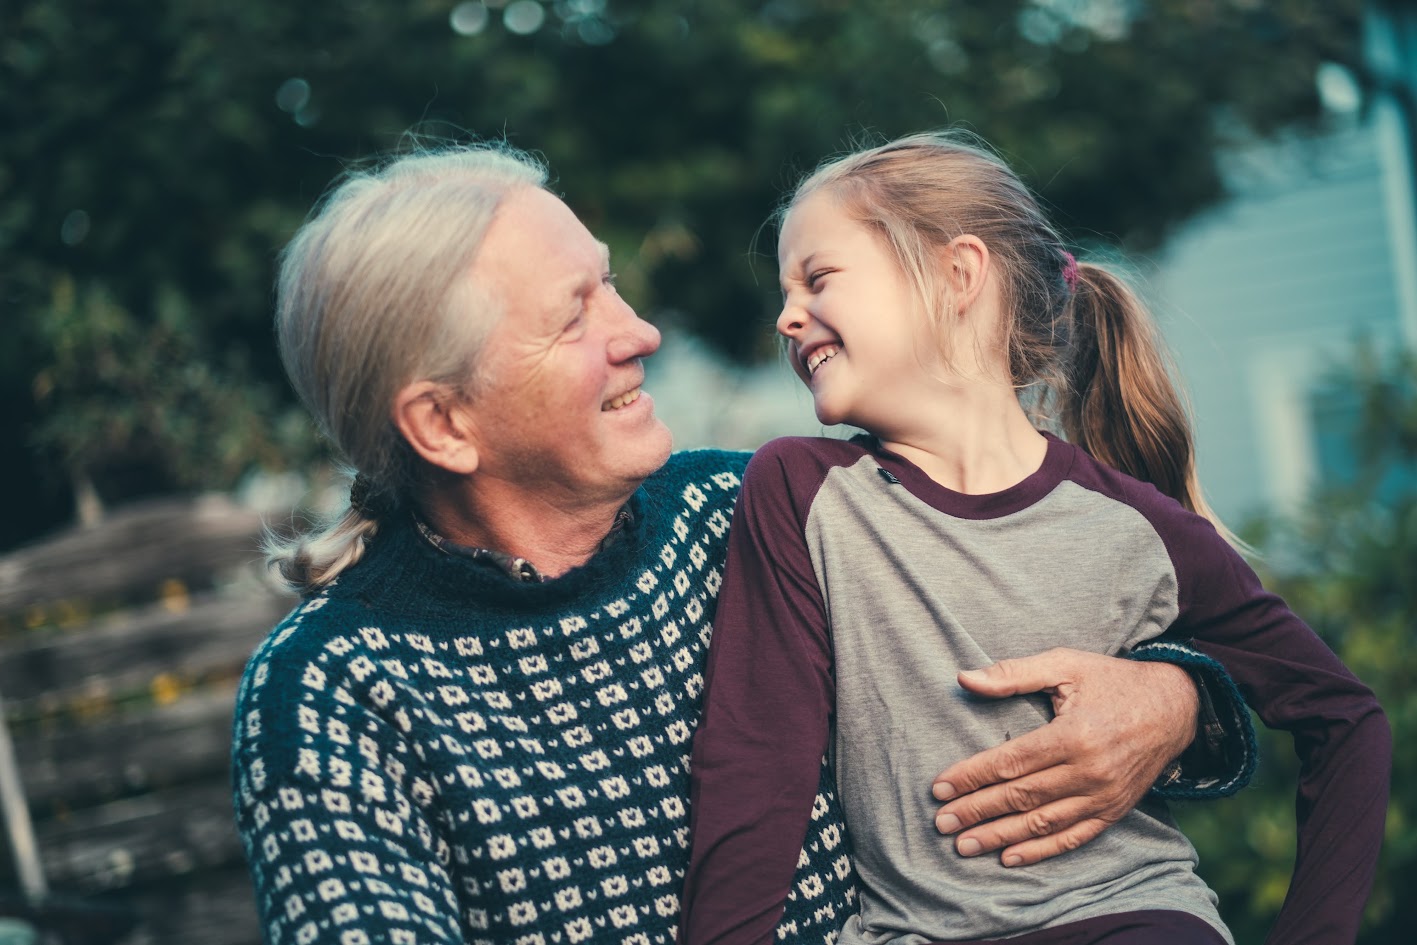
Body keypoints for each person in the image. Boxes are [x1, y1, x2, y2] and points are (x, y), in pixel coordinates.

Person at [230, 141, 1256, 945]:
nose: (639, 334)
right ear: (444, 424)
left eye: (611, 284)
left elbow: (1096, 626)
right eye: (572, 316)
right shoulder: (331, 692)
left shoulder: (763, 510)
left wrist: (1172, 697)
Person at [677, 132, 1391, 945]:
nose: (786, 314)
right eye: (784, 289)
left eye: (818, 277)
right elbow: (756, 755)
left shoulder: (1142, 528)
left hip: (1128, 919)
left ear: (957, 274)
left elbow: (1344, 716)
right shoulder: (798, 491)